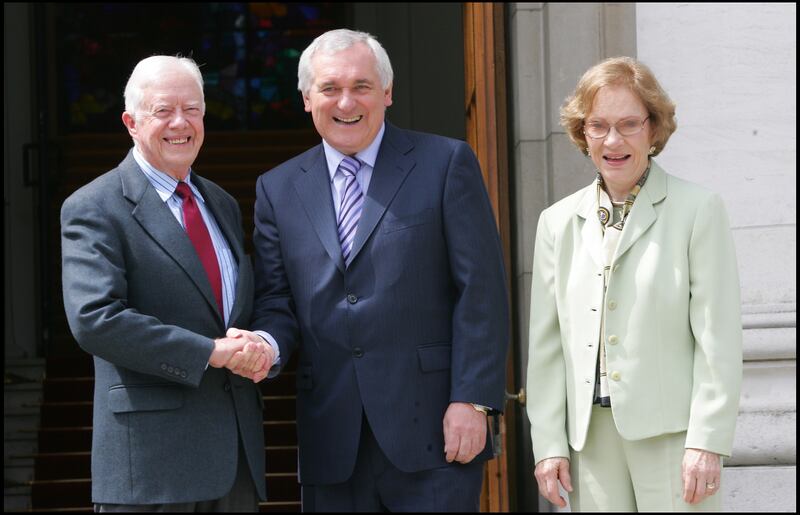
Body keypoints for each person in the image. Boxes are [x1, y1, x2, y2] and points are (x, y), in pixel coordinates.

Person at [243, 29, 509, 511]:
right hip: (331, 439)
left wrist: (472, 399)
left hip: (436, 432)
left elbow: (481, 291)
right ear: (307, 99)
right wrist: (265, 344)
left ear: (387, 92)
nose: (347, 101)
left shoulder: (445, 163)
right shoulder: (276, 189)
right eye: (329, 88)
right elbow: (277, 301)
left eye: (362, 86)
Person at [526, 56, 743, 511]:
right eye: (598, 125)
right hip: (590, 443)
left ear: (654, 129)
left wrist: (707, 441)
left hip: (673, 438)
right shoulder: (556, 223)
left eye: (628, 124)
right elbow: (546, 347)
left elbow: (716, 339)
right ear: (582, 134)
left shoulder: (698, 210)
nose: (613, 140)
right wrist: (548, 445)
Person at [61, 55, 275, 512]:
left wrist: (259, 343)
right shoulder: (94, 207)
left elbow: (233, 310)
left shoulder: (220, 201)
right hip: (152, 469)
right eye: (163, 111)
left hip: (234, 462)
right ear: (131, 122)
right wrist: (208, 352)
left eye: (193, 109)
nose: (181, 123)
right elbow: (94, 319)